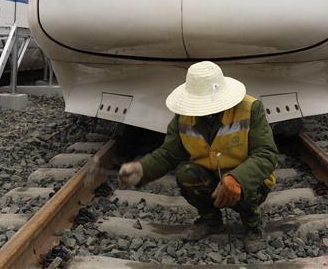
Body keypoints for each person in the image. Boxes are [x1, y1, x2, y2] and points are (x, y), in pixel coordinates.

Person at [118, 61, 279, 244]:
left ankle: (253, 225)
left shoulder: (250, 109)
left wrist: (237, 179)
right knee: (186, 174)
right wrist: (141, 170)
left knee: (237, 184)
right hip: (210, 175)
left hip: (249, 180)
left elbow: (266, 154)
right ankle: (211, 220)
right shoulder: (183, 116)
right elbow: (169, 154)